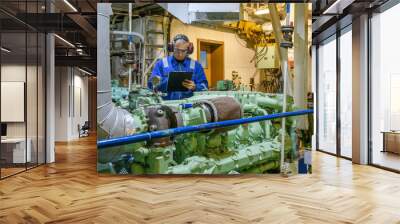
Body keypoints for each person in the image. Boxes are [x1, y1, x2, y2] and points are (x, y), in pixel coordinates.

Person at [148, 34, 208, 100]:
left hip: (190, 106)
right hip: (167, 105)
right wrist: (168, 82)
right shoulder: (162, 63)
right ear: (172, 48)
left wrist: (195, 87)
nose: (180, 54)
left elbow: (204, 86)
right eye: (177, 50)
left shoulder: (196, 66)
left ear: (188, 50)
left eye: (183, 51)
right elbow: (151, 83)